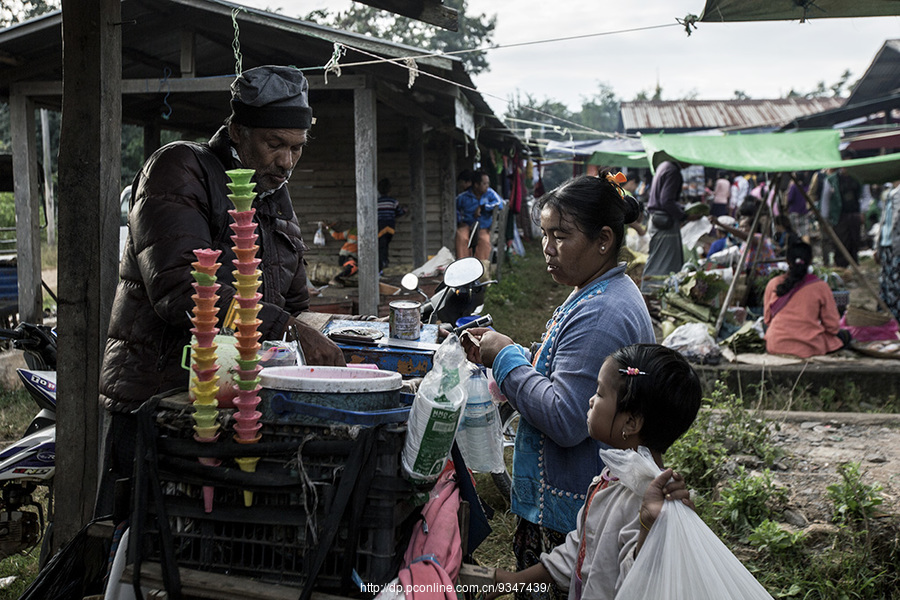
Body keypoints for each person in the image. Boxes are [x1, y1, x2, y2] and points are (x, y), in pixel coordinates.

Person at [97, 65, 345, 517]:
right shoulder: (178, 170)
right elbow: (181, 290)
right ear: (238, 131)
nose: (287, 162)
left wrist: (313, 331)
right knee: (136, 547)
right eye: (275, 145)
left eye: (297, 148)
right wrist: (288, 329)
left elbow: (292, 302)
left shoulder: (275, 196)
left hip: (236, 408)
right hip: (160, 401)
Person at [461, 173, 655, 600]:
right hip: (581, 500)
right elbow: (572, 371)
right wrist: (523, 352)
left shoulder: (602, 311)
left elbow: (568, 419)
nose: (547, 248)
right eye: (545, 234)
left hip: (570, 512)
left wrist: (505, 357)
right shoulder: (596, 290)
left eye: (561, 236)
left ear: (603, 240)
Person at [489, 344, 702, 600]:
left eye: (600, 393)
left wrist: (648, 528)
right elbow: (580, 552)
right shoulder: (611, 479)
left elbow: (641, 584)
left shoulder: (645, 503)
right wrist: (514, 581)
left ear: (631, 423)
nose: (591, 400)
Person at [763, 241, 851, 358]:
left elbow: (767, 320)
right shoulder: (820, 286)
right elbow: (833, 327)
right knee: (845, 336)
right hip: (809, 346)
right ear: (810, 261)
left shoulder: (773, 283)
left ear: (787, 261)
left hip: (776, 345)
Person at [642, 160, 686, 293]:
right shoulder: (672, 171)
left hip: (657, 219)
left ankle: (649, 295)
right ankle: (649, 294)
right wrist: (684, 215)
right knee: (664, 263)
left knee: (657, 259)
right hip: (663, 221)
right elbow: (666, 201)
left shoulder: (664, 166)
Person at [876, 181, 900, 321]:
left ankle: (895, 316)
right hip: (886, 244)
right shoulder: (890, 193)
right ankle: (887, 316)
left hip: (896, 246)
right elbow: (884, 221)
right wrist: (877, 245)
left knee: (896, 283)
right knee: (886, 281)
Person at [473, 170, 506, 261]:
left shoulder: (490, 193)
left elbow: (500, 204)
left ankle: (482, 269)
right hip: (468, 226)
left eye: (488, 183)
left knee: (484, 241)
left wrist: (484, 207)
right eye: (484, 183)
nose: (487, 186)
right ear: (476, 185)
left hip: (483, 228)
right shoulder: (468, 195)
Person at [376, 178, 407, 273]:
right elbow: (398, 212)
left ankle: (382, 264)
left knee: (381, 246)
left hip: (380, 227)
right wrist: (405, 210)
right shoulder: (393, 201)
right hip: (390, 228)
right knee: (385, 245)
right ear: (390, 190)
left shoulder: (377, 202)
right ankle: (384, 262)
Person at [325, 223, 359, 287]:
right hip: (346, 256)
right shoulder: (355, 231)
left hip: (348, 256)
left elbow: (337, 236)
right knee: (353, 267)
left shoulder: (352, 230)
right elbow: (337, 236)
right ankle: (336, 279)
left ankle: (339, 280)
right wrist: (328, 228)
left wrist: (328, 228)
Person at [455, 169, 479, 259]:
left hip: (470, 225)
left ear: (468, 182)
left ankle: (463, 261)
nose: (460, 185)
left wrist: (460, 220)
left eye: (462, 182)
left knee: (462, 237)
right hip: (473, 225)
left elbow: (456, 210)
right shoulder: (462, 197)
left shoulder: (462, 197)